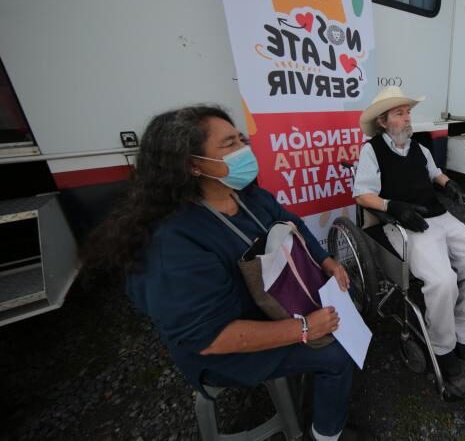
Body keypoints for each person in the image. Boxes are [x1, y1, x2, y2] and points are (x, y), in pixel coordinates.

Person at [84, 105, 355, 441]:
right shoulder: (172, 242)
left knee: (342, 315)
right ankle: (325, 435)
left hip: (271, 307)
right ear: (192, 165)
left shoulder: (245, 195)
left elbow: (291, 222)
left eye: (241, 138)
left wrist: (327, 261)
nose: (245, 149)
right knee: (336, 355)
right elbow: (212, 339)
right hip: (225, 350)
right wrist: (303, 327)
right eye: (229, 144)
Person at [353, 86, 465, 380]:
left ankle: (460, 328)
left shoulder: (419, 147)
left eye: (408, 113)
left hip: (438, 215)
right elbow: (363, 195)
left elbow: (434, 173)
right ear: (382, 122)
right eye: (400, 114)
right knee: (443, 281)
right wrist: (395, 206)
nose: (407, 119)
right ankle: (442, 348)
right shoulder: (371, 150)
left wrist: (447, 183)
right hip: (404, 223)